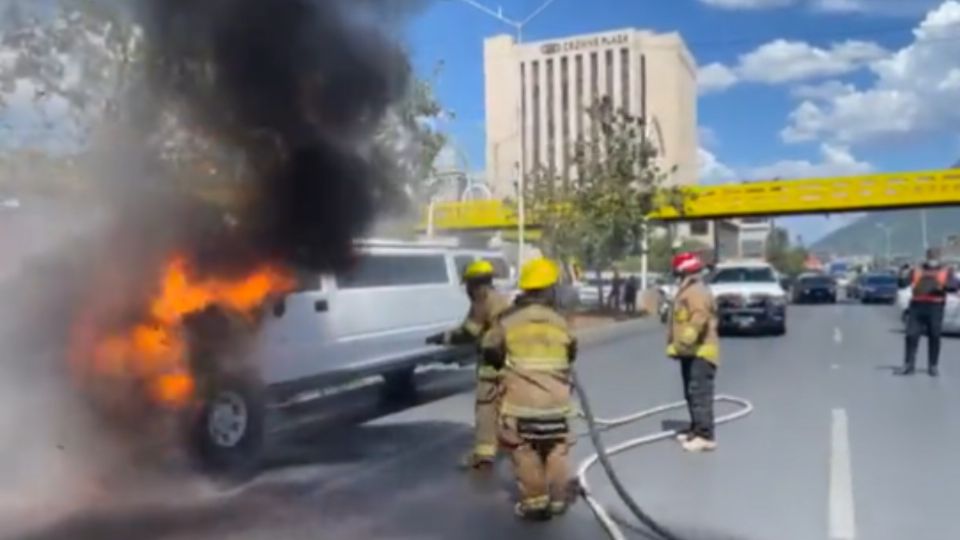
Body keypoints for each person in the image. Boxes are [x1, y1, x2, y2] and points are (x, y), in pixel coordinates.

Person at [481, 258, 578, 520]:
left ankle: (535, 500)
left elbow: (490, 349)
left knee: (524, 449)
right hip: (556, 404)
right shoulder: (560, 322)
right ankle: (558, 500)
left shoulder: (508, 321)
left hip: (521, 404)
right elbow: (571, 353)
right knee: (556, 448)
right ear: (549, 289)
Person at [426, 260, 510, 468]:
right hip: (512, 364)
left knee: (486, 408)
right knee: (509, 408)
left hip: (493, 365)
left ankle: (484, 456)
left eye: (468, 285)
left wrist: (441, 338)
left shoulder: (482, 300)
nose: (467, 290)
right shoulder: (501, 299)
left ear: (474, 284)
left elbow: (469, 332)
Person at [666, 252, 720, 452]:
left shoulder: (696, 290)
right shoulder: (687, 289)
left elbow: (699, 316)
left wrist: (687, 337)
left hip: (700, 353)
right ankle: (696, 429)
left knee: (700, 394)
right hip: (690, 352)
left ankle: (705, 435)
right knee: (691, 393)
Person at [896, 247, 958, 377]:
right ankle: (908, 365)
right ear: (927, 257)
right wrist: (902, 272)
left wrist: (943, 287)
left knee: (934, 335)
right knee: (911, 335)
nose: (933, 259)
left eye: (935, 257)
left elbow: (954, 286)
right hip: (917, 306)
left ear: (939, 258)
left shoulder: (946, 271)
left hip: (935, 306)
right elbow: (903, 284)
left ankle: (933, 366)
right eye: (931, 256)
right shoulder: (917, 270)